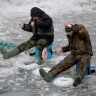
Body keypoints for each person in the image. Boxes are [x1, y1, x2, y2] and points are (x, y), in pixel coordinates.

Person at [39, 21, 93, 87]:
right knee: (63, 64)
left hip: (85, 53)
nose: (68, 34)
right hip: (74, 54)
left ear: (72, 30)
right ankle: (49, 75)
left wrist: (69, 25)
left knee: (82, 64)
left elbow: (82, 30)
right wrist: (62, 50)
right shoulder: (70, 36)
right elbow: (71, 46)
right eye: (67, 32)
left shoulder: (81, 32)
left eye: (69, 32)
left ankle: (78, 78)